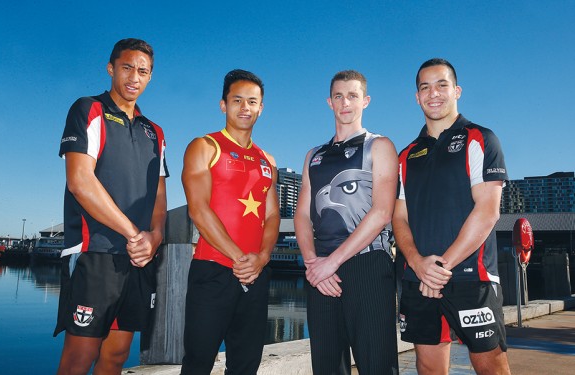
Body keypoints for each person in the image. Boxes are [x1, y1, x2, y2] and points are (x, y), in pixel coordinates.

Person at [54, 38, 168, 375]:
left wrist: (156, 237)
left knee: (116, 356)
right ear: (111, 69)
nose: (134, 76)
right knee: (80, 358)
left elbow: (160, 194)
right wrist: (135, 234)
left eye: (143, 71)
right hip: (95, 252)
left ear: (150, 77)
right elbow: (80, 182)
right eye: (127, 67)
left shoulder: (156, 132)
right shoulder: (88, 109)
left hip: (138, 259)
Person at [393, 58, 511, 374]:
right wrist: (419, 264)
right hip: (417, 277)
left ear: (456, 90)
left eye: (442, 84)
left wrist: (441, 267)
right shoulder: (405, 155)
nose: (434, 93)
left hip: (472, 276)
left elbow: (488, 211)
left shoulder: (481, 138)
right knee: (429, 367)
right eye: (425, 87)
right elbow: (398, 218)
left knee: (490, 364)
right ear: (416, 97)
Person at [294, 70, 399, 374]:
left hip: (366, 264)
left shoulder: (379, 146)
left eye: (352, 95)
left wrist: (333, 262)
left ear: (365, 101)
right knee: (327, 366)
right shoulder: (314, 155)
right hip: (321, 270)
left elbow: (382, 212)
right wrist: (314, 262)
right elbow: (302, 215)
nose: (345, 103)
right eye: (338, 96)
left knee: (376, 365)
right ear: (330, 102)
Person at [180, 69, 280, 375]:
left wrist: (261, 259)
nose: (245, 107)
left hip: (256, 272)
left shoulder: (268, 160)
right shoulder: (205, 146)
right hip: (213, 270)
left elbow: (272, 215)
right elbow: (198, 210)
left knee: (245, 365)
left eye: (252, 101)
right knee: (198, 362)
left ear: (261, 108)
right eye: (237, 100)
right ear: (223, 104)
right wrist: (241, 259)